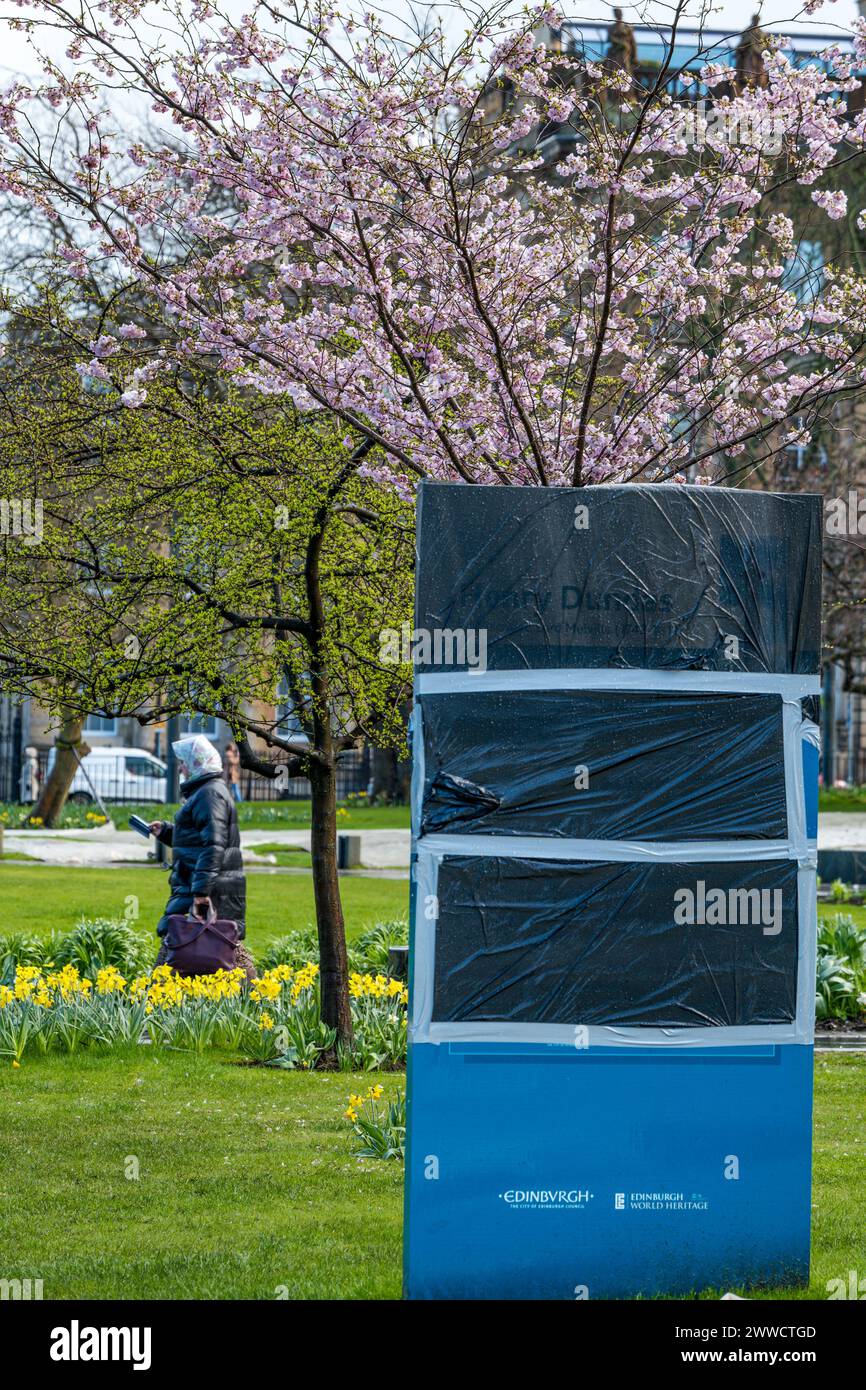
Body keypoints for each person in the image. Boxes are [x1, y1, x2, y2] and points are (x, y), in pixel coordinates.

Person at [149, 734, 256, 978]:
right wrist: (166, 832)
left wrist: (200, 892)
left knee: (181, 945)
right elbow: (200, 840)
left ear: (197, 764)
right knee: (223, 944)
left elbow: (213, 847)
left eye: (184, 762)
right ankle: (254, 994)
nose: (181, 768)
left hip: (207, 890)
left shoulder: (209, 794)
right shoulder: (206, 792)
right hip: (206, 887)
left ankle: (150, 1001)